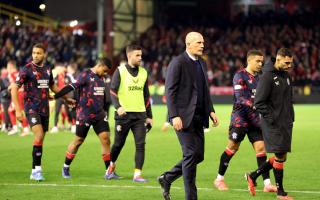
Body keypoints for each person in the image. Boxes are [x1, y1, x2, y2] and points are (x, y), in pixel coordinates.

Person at [158, 32, 219, 200]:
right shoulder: (177, 62)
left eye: (203, 42)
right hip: (183, 117)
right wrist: (174, 115)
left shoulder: (202, 63)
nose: (202, 45)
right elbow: (170, 91)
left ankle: (167, 178)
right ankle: (191, 197)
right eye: (198, 42)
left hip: (199, 116)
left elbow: (205, 90)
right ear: (188, 44)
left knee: (198, 155)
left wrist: (211, 111)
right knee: (191, 154)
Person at [213, 50, 277, 192]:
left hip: (255, 119)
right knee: (232, 148)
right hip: (240, 119)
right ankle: (219, 179)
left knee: (261, 149)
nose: (260, 64)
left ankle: (267, 184)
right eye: (258, 61)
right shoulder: (239, 75)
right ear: (249, 60)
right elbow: (240, 97)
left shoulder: (261, 79)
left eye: (262, 61)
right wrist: (255, 105)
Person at [10, 43, 73, 181]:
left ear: (44, 54)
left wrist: (66, 99)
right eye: (33, 52)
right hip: (31, 108)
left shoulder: (47, 69)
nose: (35, 55)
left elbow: (53, 87)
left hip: (44, 109)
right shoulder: (26, 69)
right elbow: (14, 88)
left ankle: (34, 169)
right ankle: (37, 170)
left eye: (38, 53)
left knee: (40, 140)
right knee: (38, 135)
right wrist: (18, 110)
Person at [245, 48, 295, 200]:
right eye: (286, 62)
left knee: (282, 155)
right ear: (278, 59)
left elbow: (288, 99)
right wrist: (272, 118)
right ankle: (280, 193)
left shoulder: (286, 76)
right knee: (280, 154)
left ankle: (253, 176)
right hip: (273, 123)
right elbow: (258, 102)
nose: (289, 65)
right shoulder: (267, 76)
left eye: (291, 63)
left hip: (285, 122)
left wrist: (290, 117)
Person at [53, 58, 113, 179]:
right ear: (100, 65)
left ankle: (109, 171)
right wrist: (56, 96)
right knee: (78, 141)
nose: (105, 74)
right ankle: (65, 167)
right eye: (105, 71)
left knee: (106, 139)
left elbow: (103, 95)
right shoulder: (85, 74)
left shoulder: (102, 78)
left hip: (99, 114)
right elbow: (71, 87)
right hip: (84, 114)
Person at [107, 45, 153, 182]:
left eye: (141, 55)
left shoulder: (144, 72)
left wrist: (149, 116)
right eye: (137, 55)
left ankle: (137, 174)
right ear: (129, 56)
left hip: (140, 116)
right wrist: (118, 106)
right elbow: (112, 91)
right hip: (123, 116)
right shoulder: (120, 71)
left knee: (140, 144)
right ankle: (111, 165)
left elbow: (146, 96)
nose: (140, 58)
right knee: (118, 144)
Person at [7, 60, 30, 136]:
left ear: (10, 66)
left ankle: (23, 128)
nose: (7, 68)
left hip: (18, 94)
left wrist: (9, 88)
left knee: (12, 110)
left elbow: (14, 85)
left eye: (8, 66)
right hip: (23, 93)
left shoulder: (12, 74)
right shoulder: (19, 73)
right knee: (16, 110)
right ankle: (18, 127)